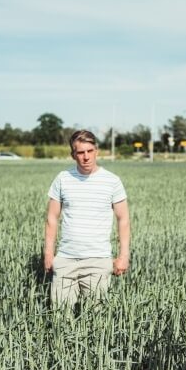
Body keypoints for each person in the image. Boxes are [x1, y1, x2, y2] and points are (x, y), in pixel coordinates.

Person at [44, 129, 130, 308]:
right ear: (73, 155)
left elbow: (123, 220)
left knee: (96, 321)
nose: (86, 157)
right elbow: (52, 218)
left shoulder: (112, 181)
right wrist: (49, 254)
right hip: (66, 260)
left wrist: (123, 256)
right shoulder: (63, 179)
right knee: (60, 317)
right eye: (80, 152)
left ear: (96, 151)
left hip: (98, 261)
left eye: (90, 151)